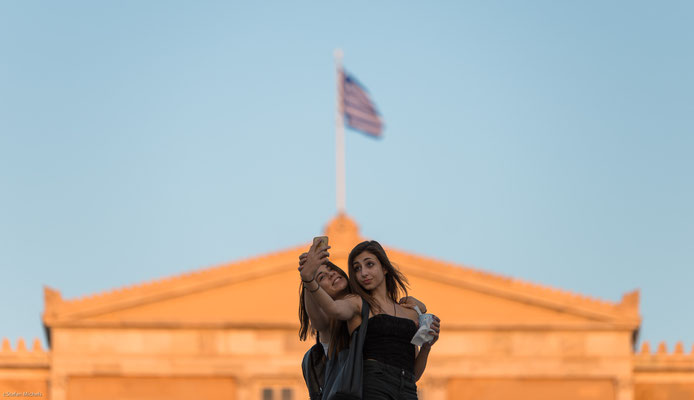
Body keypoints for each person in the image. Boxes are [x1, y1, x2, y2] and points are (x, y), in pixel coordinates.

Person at [299, 239, 440, 400]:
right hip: (373, 386)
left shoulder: (408, 312)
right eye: (357, 269)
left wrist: (427, 347)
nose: (364, 273)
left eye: (369, 265)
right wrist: (307, 280)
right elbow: (332, 310)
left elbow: (413, 374)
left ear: (385, 267)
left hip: (407, 390)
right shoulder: (354, 305)